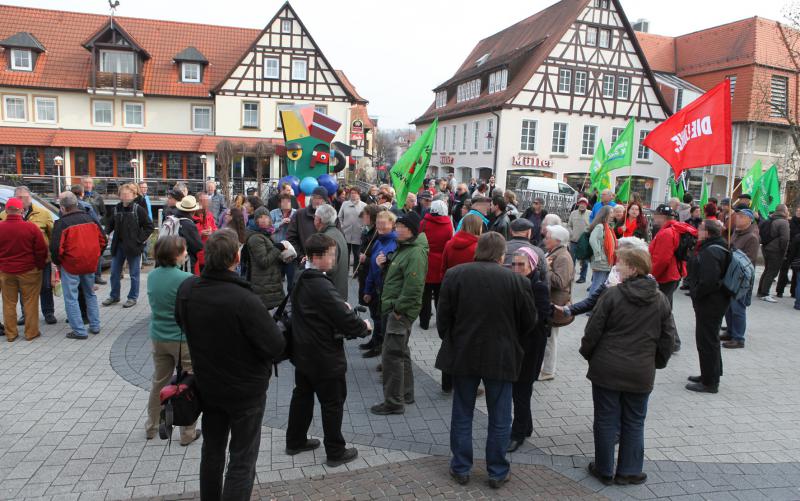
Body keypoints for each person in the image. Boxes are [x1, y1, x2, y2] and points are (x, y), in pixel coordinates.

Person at [176, 229, 285, 500]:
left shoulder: (188, 290)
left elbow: (182, 322)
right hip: (245, 391)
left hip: (209, 384)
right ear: (236, 258)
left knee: (212, 451)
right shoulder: (244, 299)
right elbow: (275, 346)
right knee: (242, 458)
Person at [435, 232, 537, 488]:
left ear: (477, 250)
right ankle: (497, 470)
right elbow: (529, 321)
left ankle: (461, 467)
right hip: (500, 355)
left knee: (462, 412)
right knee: (500, 416)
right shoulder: (516, 281)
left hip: (464, 352)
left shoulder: (455, 275)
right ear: (502, 255)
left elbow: (443, 317)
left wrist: (452, 338)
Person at [581, 247, 676, 486]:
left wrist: (588, 354)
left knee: (605, 419)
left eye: (620, 263)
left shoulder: (612, 296)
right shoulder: (660, 299)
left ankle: (604, 469)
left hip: (607, 368)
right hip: (640, 370)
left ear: (633, 268)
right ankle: (629, 471)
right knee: (634, 420)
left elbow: (593, 330)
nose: (617, 267)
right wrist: (655, 363)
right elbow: (668, 339)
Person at [286, 233, 371, 467]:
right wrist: (364, 327)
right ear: (316, 257)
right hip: (323, 355)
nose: (334, 259)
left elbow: (322, 310)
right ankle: (335, 451)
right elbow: (345, 318)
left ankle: (295, 441)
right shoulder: (320, 284)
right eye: (331, 255)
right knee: (332, 403)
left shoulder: (301, 275)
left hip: (302, 350)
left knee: (302, 395)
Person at [370, 211, 428, 415]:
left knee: (391, 356)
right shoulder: (406, 247)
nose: (397, 230)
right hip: (396, 309)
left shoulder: (415, 252)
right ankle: (405, 393)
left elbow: (414, 287)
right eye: (398, 226)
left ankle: (394, 402)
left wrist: (397, 309)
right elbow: (398, 277)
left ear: (411, 230)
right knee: (401, 352)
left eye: (401, 227)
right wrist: (385, 265)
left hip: (399, 312)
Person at [144, 236, 201, 445]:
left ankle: (151, 426)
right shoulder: (187, 279)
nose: (186, 253)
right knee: (189, 383)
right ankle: (187, 433)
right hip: (182, 339)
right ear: (176, 255)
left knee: (159, 381)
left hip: (158, 335)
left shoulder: (152, 276)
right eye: (184, 250)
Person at [508, 247, 550, 453]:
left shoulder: (538, 287)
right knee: (521, 390)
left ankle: (517, 434)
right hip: (518, 345)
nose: (516, 268)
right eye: (513, 264)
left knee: (521, 390)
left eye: (521, 265)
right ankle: (526, 426)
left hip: (531, 347)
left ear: (532, 265)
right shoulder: (513, 283)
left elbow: (540, 318)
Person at [50, 192, 106, 340]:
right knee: (90, 294)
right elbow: (103, 240)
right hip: (89, 263)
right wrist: (95, 255)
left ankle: (79, 330)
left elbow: (55, 248)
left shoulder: (61, 223)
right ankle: (95, 325)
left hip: (71, 265)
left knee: (71, 298)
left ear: (63, 208)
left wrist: (58, 263)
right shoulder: (90, 219)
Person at [0, 186, 56, 326]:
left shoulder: (43, 213)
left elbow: (52, 235)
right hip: (20, 260)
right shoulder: (4, 214)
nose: (21, 200)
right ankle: (26, 315)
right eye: (18, 197)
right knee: (22, 288)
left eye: (24, 197)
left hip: (42, 258)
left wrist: (51, 256)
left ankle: (48, 312)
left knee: (45, 287)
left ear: (29, 197)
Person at [685, 220, 730, 393]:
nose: (697, 231)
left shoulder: (711, 251)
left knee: (707, 341)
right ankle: (710, 374)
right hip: (715, 300)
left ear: (708, 233)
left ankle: (710, 382)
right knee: (710, 339)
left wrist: (696, 293)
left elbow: (709, 280)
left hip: (710, 302)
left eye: (700, 229)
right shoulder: (717, 246)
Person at [103, 184, 154, 309]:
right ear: (119, 196)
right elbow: (109, 224)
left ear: (134, 195)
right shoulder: (116, 209)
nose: (125, 196)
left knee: (134, 274)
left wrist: (139, 240)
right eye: (123, 194)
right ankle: (114, 296)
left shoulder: (138, 209)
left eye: (128, 194)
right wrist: (106, 233)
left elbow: (149, 227)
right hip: (118, 246)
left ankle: (132, 297)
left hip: (133, 247)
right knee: (114, 273)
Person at [649, 205, 697, 326]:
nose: (654, 217)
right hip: (674, 272)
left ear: (661, 216)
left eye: (655, 215)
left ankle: (668, 335)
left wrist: (651, 276)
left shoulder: (666, 233)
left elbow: (662, 259)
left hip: (666, 275)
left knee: (662, 309)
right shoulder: (675, 229)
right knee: (666, 306)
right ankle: (668, 333)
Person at [721, 208, 760, 349]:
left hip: (741, 278)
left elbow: (749, 259)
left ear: (750, 220)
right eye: (737, 216)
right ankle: (730, 331)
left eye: (742, 216)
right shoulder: (735, 233)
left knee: (738, 308)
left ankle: (738, 338)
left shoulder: (752, 237)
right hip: (731, 275)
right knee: (729, 307)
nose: (738, 218)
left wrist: (733, 255)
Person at [361, 210, 397, 358]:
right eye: (378, 223)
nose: (380, 226)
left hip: (386, 289)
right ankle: (375, 341)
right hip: (375, 287)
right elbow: (372, 268)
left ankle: (379, 346)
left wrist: (384, 265)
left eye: (383, 223)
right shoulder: (378, 241)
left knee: (382, 320)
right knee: (376, 317)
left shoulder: (395, 243)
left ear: (392, 224)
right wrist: (367, 290)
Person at [540, 225, 573, 381]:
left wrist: (546, 269)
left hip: (555, 303)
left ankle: (548, 371)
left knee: (550, 339)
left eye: (548, 238)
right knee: (547, 337)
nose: (545, 240)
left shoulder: (563, 257)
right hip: (550, 301)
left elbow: (561, 282)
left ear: (557, 241)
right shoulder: (555, 252)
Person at [419, 200, 453, 330]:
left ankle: (424, 322)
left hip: (426, 261)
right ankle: (441, 322)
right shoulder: (448, 225)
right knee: (440, 296)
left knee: (425, 295)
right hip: (441, 262)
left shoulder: (423, 223)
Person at [244, 208, 285, 310]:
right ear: (256, 220)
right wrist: (278, 248)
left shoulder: (265, 234)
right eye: (260, 217)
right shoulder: (256, 237)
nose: (263, 220)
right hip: (262, 284)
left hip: (267, 283)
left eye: (266, 217)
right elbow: (264, 261)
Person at [314, 204, 349, 301]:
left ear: (319, 220)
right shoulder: (337, 232)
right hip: (338, 290)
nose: (314, 221)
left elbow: (329, 268)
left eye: (315, 218)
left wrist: (312, 262)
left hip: (330, 293)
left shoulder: (326, 238)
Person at [757, 204, 790, 302]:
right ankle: (765, 293)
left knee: (767, 270)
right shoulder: (783, 222)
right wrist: (784, 252)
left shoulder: (770, 219)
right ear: (784, 211)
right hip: (776, 250)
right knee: (772, 272)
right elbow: (785, 239)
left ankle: (761, 291)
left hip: (766, 248)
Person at [288, 186, 329, 263]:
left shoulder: (331, 216)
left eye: (320, 198)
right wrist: (300, 256)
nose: (316, 201)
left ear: (325, 201)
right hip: (305, 261)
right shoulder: (299, 214)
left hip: (325, 262)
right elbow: (291, 238)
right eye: (314, 197)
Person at [588, 206, 616, 296]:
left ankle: (596, 303)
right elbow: (592, 240)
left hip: (606, 261)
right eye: (611, 213)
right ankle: (590, 304)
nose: (613, 215)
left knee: (601, 285)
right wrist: (598, 255)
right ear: (605, 214)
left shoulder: (608, 227)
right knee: (596, 285)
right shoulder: (600, 226)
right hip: (601, 261)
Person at [338, 187, 366, 272]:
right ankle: (344, 271)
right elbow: (339, 217)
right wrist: (342, 226)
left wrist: (363, 228)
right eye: (351, 193)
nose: (353, 194)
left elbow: (366, 219)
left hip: (358, 233)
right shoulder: (345, 204)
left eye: (355, 193)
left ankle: (355, 271)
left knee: (357, 254)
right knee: (345, 253)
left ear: (359, 194)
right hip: (345, 232)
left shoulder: (364, 205)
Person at [174, 196, 204, 273]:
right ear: (193, 211)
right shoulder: (188, 224)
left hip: (172, 258)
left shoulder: (174, 219)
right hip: (185, 262)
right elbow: (198, 246)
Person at [776, 205, 800, 298]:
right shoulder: (789, 221)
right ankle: (780, 291)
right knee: (784, 270)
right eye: (798, 210)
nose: (798, 212)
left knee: (796, 272)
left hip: (797, 251)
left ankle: (793, 292)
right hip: (788, 249)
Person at [192, 193, 218, 274]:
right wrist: (200, 233)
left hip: (208, 252)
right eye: (205, 201)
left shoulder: (209, 214)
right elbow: (189, 234)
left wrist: (212, 231)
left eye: (208, 200)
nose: (208, 203)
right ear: (199, 201)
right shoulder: (192, 216)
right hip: (197, 253)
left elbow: (215, 229)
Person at [568, 197, 591, 283]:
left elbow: (592, 225)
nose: (582, 205)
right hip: (574, 241)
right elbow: (569, 225)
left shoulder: (590, 213)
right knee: (571, 260)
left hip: (584, 242)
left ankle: (582, 277)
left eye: (584, 203)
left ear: (586, 205)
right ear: (578, 204)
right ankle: (570, 276)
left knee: (584, 261)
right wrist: (571, 233)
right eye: (581, 203)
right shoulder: (573, 213)